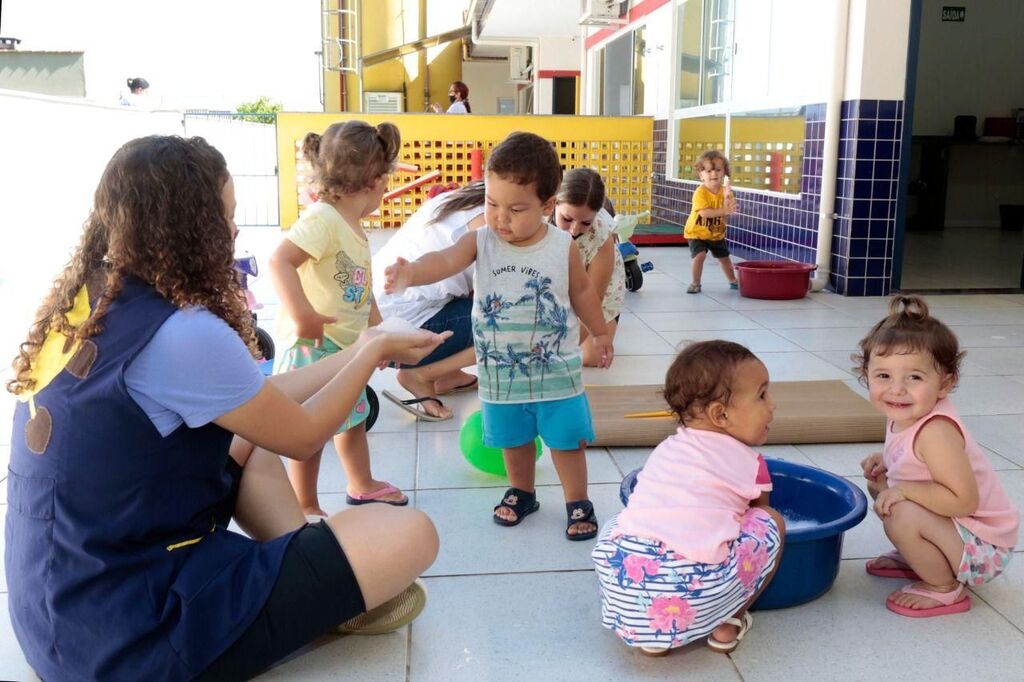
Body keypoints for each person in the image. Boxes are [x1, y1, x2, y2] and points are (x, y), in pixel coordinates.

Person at [4, 135, 445, 681]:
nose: (235, 232)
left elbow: (256, 408)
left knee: (247, 439)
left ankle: (308, 580)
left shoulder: (91, 301)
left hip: (58, 610)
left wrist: (356, 350)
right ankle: (317, 592)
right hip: (129, 636)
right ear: (187, 225)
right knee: (412, 533)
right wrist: (374, 348)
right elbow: (303, 436)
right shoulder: (182, 333)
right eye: (226, 217)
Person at [383, 131, 613, 540]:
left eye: (515, 208)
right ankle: (522, 492)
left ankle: (578, 500)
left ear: (546, 206)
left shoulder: (562, 246)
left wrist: (599, 332)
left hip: (555, 371)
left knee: (565, 440)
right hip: (500, 373)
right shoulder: (480, 241)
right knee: (513, 439)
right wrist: (412, 273)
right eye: (491, 203)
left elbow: (582, 293)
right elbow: (445, 259)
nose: (500, 217)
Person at [592, 340, 785, 656]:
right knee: (772, 522)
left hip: (624, 581)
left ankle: (649, 638)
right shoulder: (752, 464)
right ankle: (729, 622)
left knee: (621, 522)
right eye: (762, 395)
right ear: (720, 414)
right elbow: (757, 512)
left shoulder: (666, 449)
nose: (772, 404)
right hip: (697, 589)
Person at [269, 120, 405, 514]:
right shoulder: (323, 219)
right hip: (313, 345)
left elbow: (362, 291)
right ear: (375, 180)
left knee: (354, 416)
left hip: (344, 347)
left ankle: (361, 483)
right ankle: (305, 503)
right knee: (307, 431)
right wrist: (303, 315)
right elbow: (280, 260)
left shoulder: (352, 226)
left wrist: (378, 333)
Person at [857, 295, 1018, 617]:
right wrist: (888, 461)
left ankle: (943, 587)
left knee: (899, 510)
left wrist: (902, 491)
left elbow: (963, 501)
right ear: (866, 374)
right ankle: (921, 554)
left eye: (914, 377)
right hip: (959, 529)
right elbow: (915, 463)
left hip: (983, 548)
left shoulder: (936, 432)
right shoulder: (905, 414)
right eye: (883, 376)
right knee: (882, 486)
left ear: (945, 384)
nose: (897, 389)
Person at [371, 183, 488, 421]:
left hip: (377, 312)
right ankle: (422, 375)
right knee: (514, 323)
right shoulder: (491, 224)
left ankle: (448, 375)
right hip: (398, 333)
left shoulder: (467, 195)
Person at [551, 168, 625, 367]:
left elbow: (592, 298)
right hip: (555, 284)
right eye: (567, 219)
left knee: (593, 358)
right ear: (554, 203)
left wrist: (561, 351)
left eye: (585, 223)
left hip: (596, 291)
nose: (574, 229)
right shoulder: (537, 221)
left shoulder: (602, 237)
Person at [683, 149, 739, 294]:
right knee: (699, 256)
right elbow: (704, 213)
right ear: (701, 175)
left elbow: (729, 209)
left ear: (724, 172)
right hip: (697, 232)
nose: (713, 174)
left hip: (715, 234)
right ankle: (695, 283)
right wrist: (724, 210)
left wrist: (727, 198)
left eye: (718, 170)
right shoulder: (700, 192)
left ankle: (733, 280)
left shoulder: (726, 192)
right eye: (708, 171)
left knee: (724, 258)